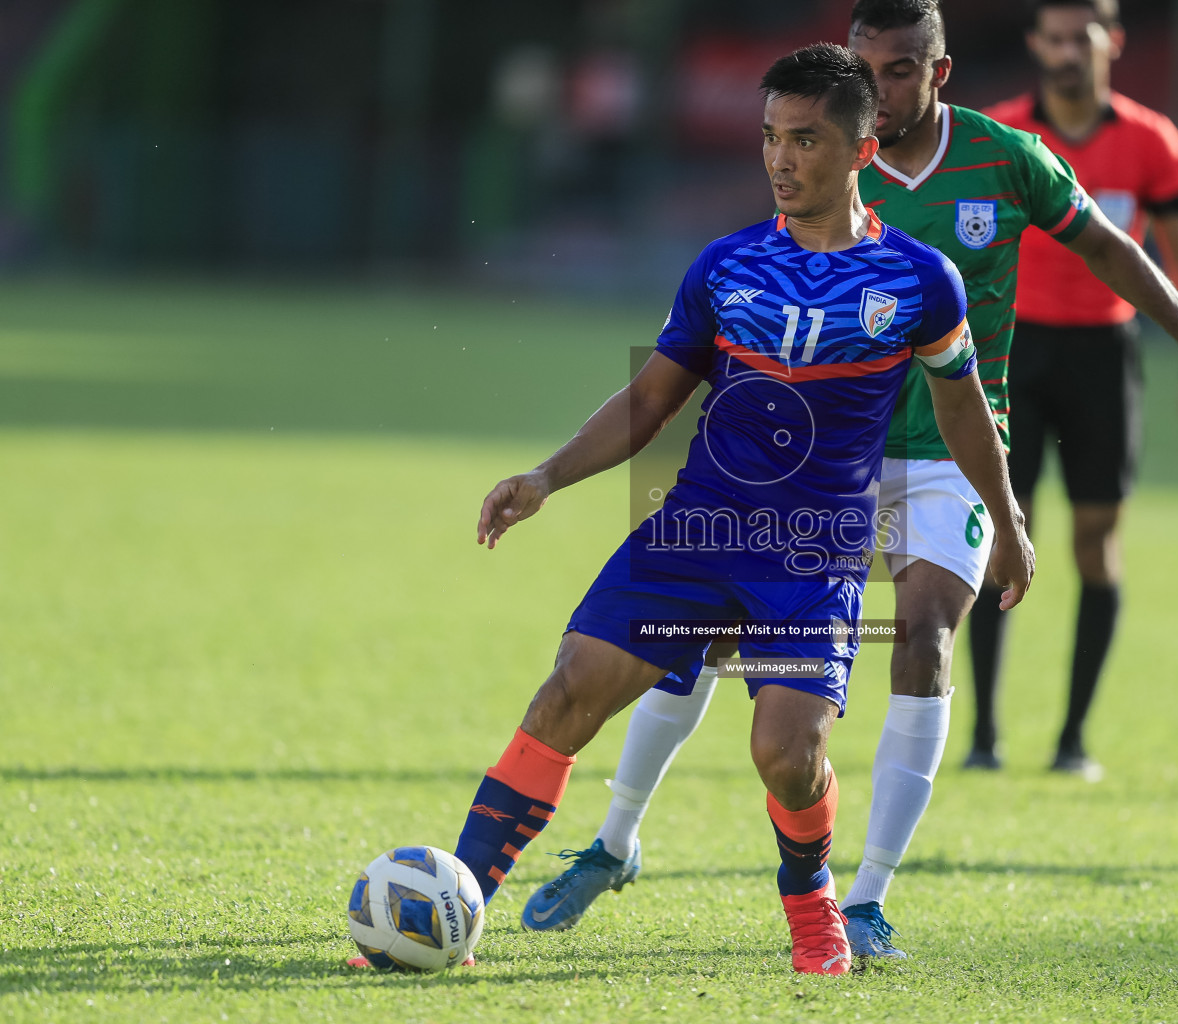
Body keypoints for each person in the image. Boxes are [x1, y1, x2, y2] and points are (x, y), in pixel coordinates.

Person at [514, 0, 1178, 963]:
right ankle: (613, 842)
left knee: (925, 632)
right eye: (862, 67)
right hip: (806, 466)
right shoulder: (822, 159)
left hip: (948, 453)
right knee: (700, 636)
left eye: (895, 71)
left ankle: (869, 898)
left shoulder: (1005, 158)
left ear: (936, 74)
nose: (874, 89)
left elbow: (1105, 245)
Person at [370, 43, 1032, 977]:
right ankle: (454, 907)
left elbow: (964, 409)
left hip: (811, 557)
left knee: (786, 754)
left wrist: (1004, 523)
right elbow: (649, 401)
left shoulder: (921, 281)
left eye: (804, 139)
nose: (781, 160)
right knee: (567, 693)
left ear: (861, 144)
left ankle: (812, 903)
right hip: (697, 532)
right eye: (770, 138)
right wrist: (547, 478)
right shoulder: (726, 267)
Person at [968, 0, 1178, 779]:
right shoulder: (1001, 135)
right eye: (1052, 36)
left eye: (1081, 35)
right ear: (1035, 45)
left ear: (1110, 41)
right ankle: (983, 736)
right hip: (1010, 354)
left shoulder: (1152, 140)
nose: (1065, 50)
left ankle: (1073, 740)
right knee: (994, 545)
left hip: (1105, 357)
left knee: (1094, 544)